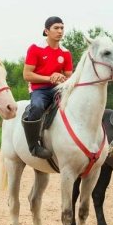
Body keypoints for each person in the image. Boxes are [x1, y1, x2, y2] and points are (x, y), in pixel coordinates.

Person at [22, 16, 73, 159]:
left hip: (59, 88)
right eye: (56, 28)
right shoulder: (35, 48)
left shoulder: (66, 52)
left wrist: (61, 78)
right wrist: (50, 77)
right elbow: (27, 75)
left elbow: (69, 76)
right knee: (37, 107)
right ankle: (34, 147)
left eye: (62, 28)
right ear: (46, 31)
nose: (60, 31)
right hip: (39, 89)